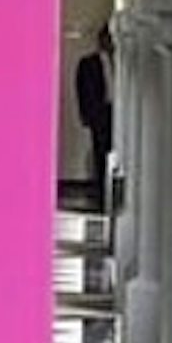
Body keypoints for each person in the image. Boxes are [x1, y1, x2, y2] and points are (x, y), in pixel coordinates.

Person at [73, 22, 114, 208]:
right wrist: (86, 115)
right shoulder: (89, 63)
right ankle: (101, 193)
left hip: (117, 111)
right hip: (100, 114)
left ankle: (111, 192)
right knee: (100, 153)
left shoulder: (121, 62)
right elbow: (82, 90)